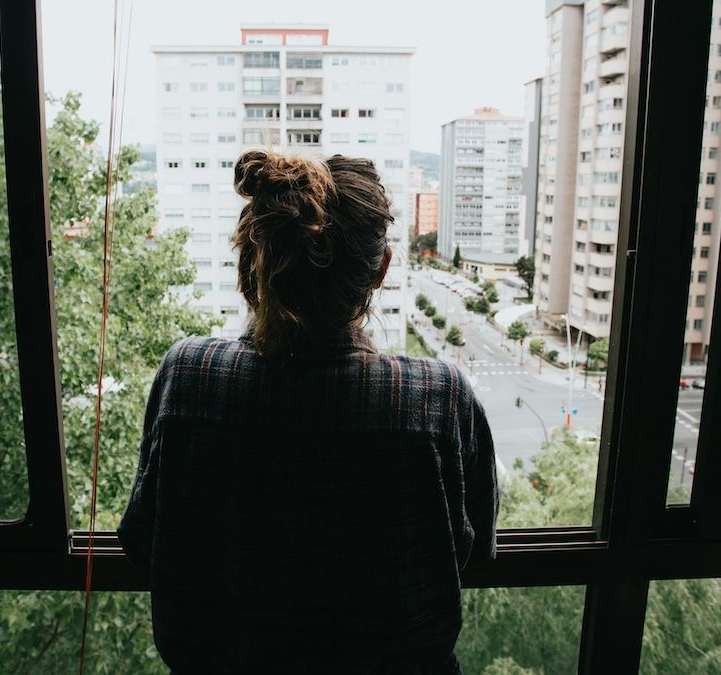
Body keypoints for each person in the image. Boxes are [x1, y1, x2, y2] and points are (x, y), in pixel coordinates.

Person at [118, 150, 498, 673]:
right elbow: (473, 552)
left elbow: (142, 541)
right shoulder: (439, 398)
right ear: (380, 269)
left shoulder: (189, 378)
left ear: (253, 258)